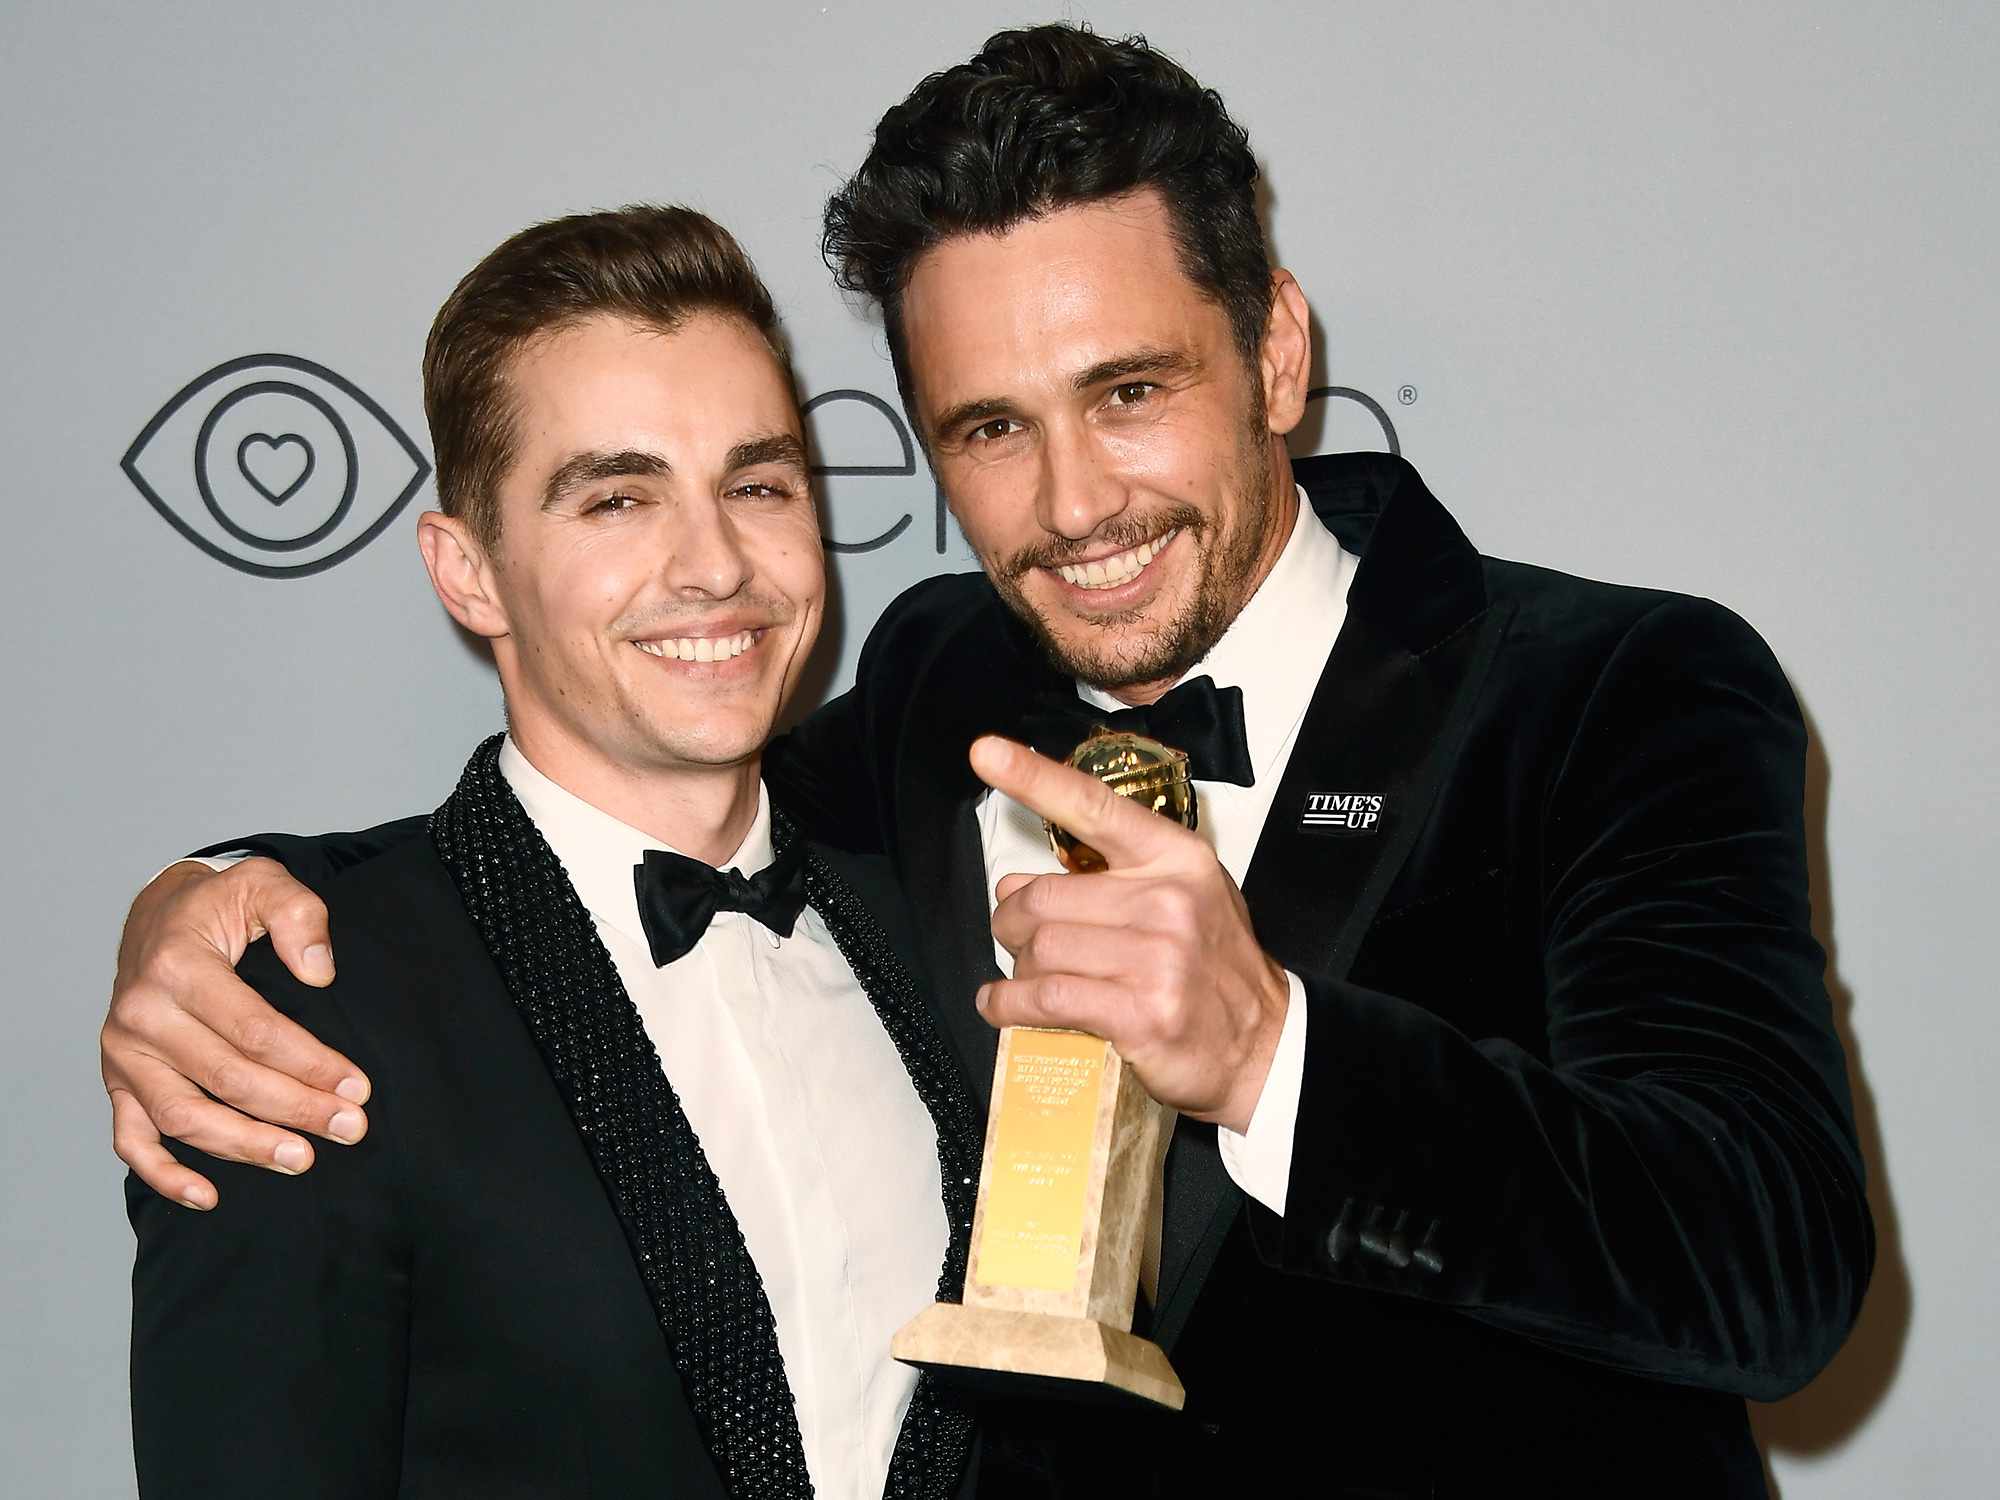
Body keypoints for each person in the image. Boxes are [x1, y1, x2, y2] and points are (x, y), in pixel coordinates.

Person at [106, 25, 1872, 1497]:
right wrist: (214, 899)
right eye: (990, 431)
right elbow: (630, 807)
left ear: (1275, 354)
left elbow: (1769, 1257)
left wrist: (1277, 1055)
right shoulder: (946, 682)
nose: (1075, 507)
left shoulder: (1613, 691)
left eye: (1129, 393)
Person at [122, 204, 982, 1500]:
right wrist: (183, 887)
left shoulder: (939, 919)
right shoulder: (297, 1024)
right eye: (618, 498)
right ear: (470, 573)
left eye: (756, 483)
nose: (715, 564)